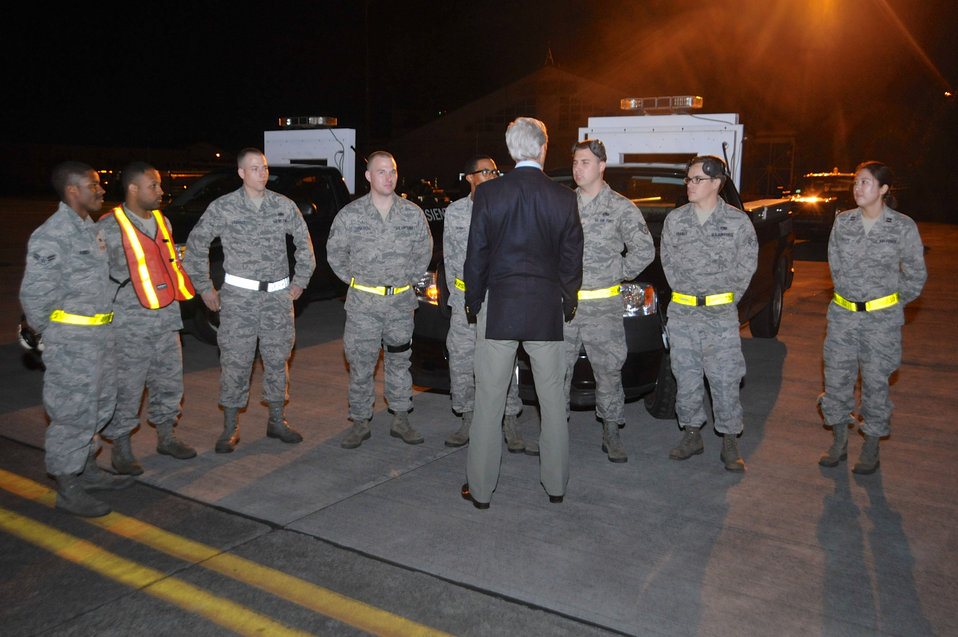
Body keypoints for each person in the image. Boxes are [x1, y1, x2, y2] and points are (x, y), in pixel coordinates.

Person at [460, 117, 583, 508]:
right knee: (551, 403)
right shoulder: (564, 197)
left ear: (512, 151)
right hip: (545, 311)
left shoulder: (489, 194)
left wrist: (473, 302)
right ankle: (556, 486)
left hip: (501, 310)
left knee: (489, 404)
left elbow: (475, 255)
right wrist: (568, 300)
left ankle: (480, 491)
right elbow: (571, 260)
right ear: (542, 149)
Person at [19, 161, 133, 517]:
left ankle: (89, 470)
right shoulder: (52, 234)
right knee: (71, 413)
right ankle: (67, 485)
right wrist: (54, 336)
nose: (101, 190)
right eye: (93, 185)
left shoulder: (89, 229)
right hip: (72, 343)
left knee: (99, 406)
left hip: (100, 337)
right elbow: (35, 298)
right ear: (72, 191)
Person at [183, 148, 315, 453]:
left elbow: (304, 245)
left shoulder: (283, 205)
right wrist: (204, 287)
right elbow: (196, 244)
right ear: (241, 173)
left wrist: (299, 283)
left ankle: (277, 421)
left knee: (277, 359)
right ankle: (230, 427)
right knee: (236, 362)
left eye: (264, 167)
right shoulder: (224, 207)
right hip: (239, 301)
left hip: (278, 300)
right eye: (254, 168)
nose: (262, 173)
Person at [818, 161, 926, 474]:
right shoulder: (843, 222)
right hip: (843, 317)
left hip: (881, 322)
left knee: (876, 384)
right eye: (856, 183)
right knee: (837, 380)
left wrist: (890, 304)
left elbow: (916, 275)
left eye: (865, 183)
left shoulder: (902, 226)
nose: (857, 189)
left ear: (883, 189)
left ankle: (871, 446)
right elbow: (835, 265)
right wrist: (849, 297)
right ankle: (839, 441)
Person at [327, 151, 433, 448]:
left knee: (400, 362)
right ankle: (360, 421)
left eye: (393, 171)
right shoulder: (350, 215)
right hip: (363, 306)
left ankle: (400, 418)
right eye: (382, 172)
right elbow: (335, 254)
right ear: (368, 176)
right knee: (361, 364)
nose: (389, 177)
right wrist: (356, 280)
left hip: (399, 305)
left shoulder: (412, 213)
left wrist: (405, 280)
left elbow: (423, 253)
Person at [96, 162, 197, 475]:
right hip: (128, 327)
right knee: (127, 388)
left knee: (168, 382)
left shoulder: (162, 220)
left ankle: (167, 437)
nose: (161, 191)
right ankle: (121, 449)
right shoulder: (107, 227)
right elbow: (93, 280)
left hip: (166, 321)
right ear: (133, 189)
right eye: (153, 185)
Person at [661, 155, 757, 472]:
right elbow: (668, 263)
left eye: (697, 179)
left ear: (716, 183)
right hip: (684, 312)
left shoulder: (737, 222)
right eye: (688, 179)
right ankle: (691, 434)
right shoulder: (676, 221)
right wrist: (688, 293)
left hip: (720, 315)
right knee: (686, 377)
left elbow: (746, 266)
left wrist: (724, 299)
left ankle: (729, 439)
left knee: (726, 378)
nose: (690, 184)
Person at [565, 140, 655, 463]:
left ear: (602, 166)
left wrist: (618, 271)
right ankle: (556, 433)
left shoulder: (620, 208)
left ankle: (611, 431)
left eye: (585, 162)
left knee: (608, 372)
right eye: (575, 162)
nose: (578, 168)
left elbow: (644, 250)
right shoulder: (563, 204)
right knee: (557, 371)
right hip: (566, 308)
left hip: (603, 308)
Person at [443, 155, 526, 452]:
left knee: (504, 361)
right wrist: (459, 298)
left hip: (500, 298)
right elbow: (451, 260)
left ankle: (510, 420)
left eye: (495, 171)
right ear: (469, 177)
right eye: (485, 171)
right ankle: (467, 418)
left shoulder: (508, 208)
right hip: (466, 301)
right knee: (462, 359)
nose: (492, 175)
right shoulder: (455, 213)